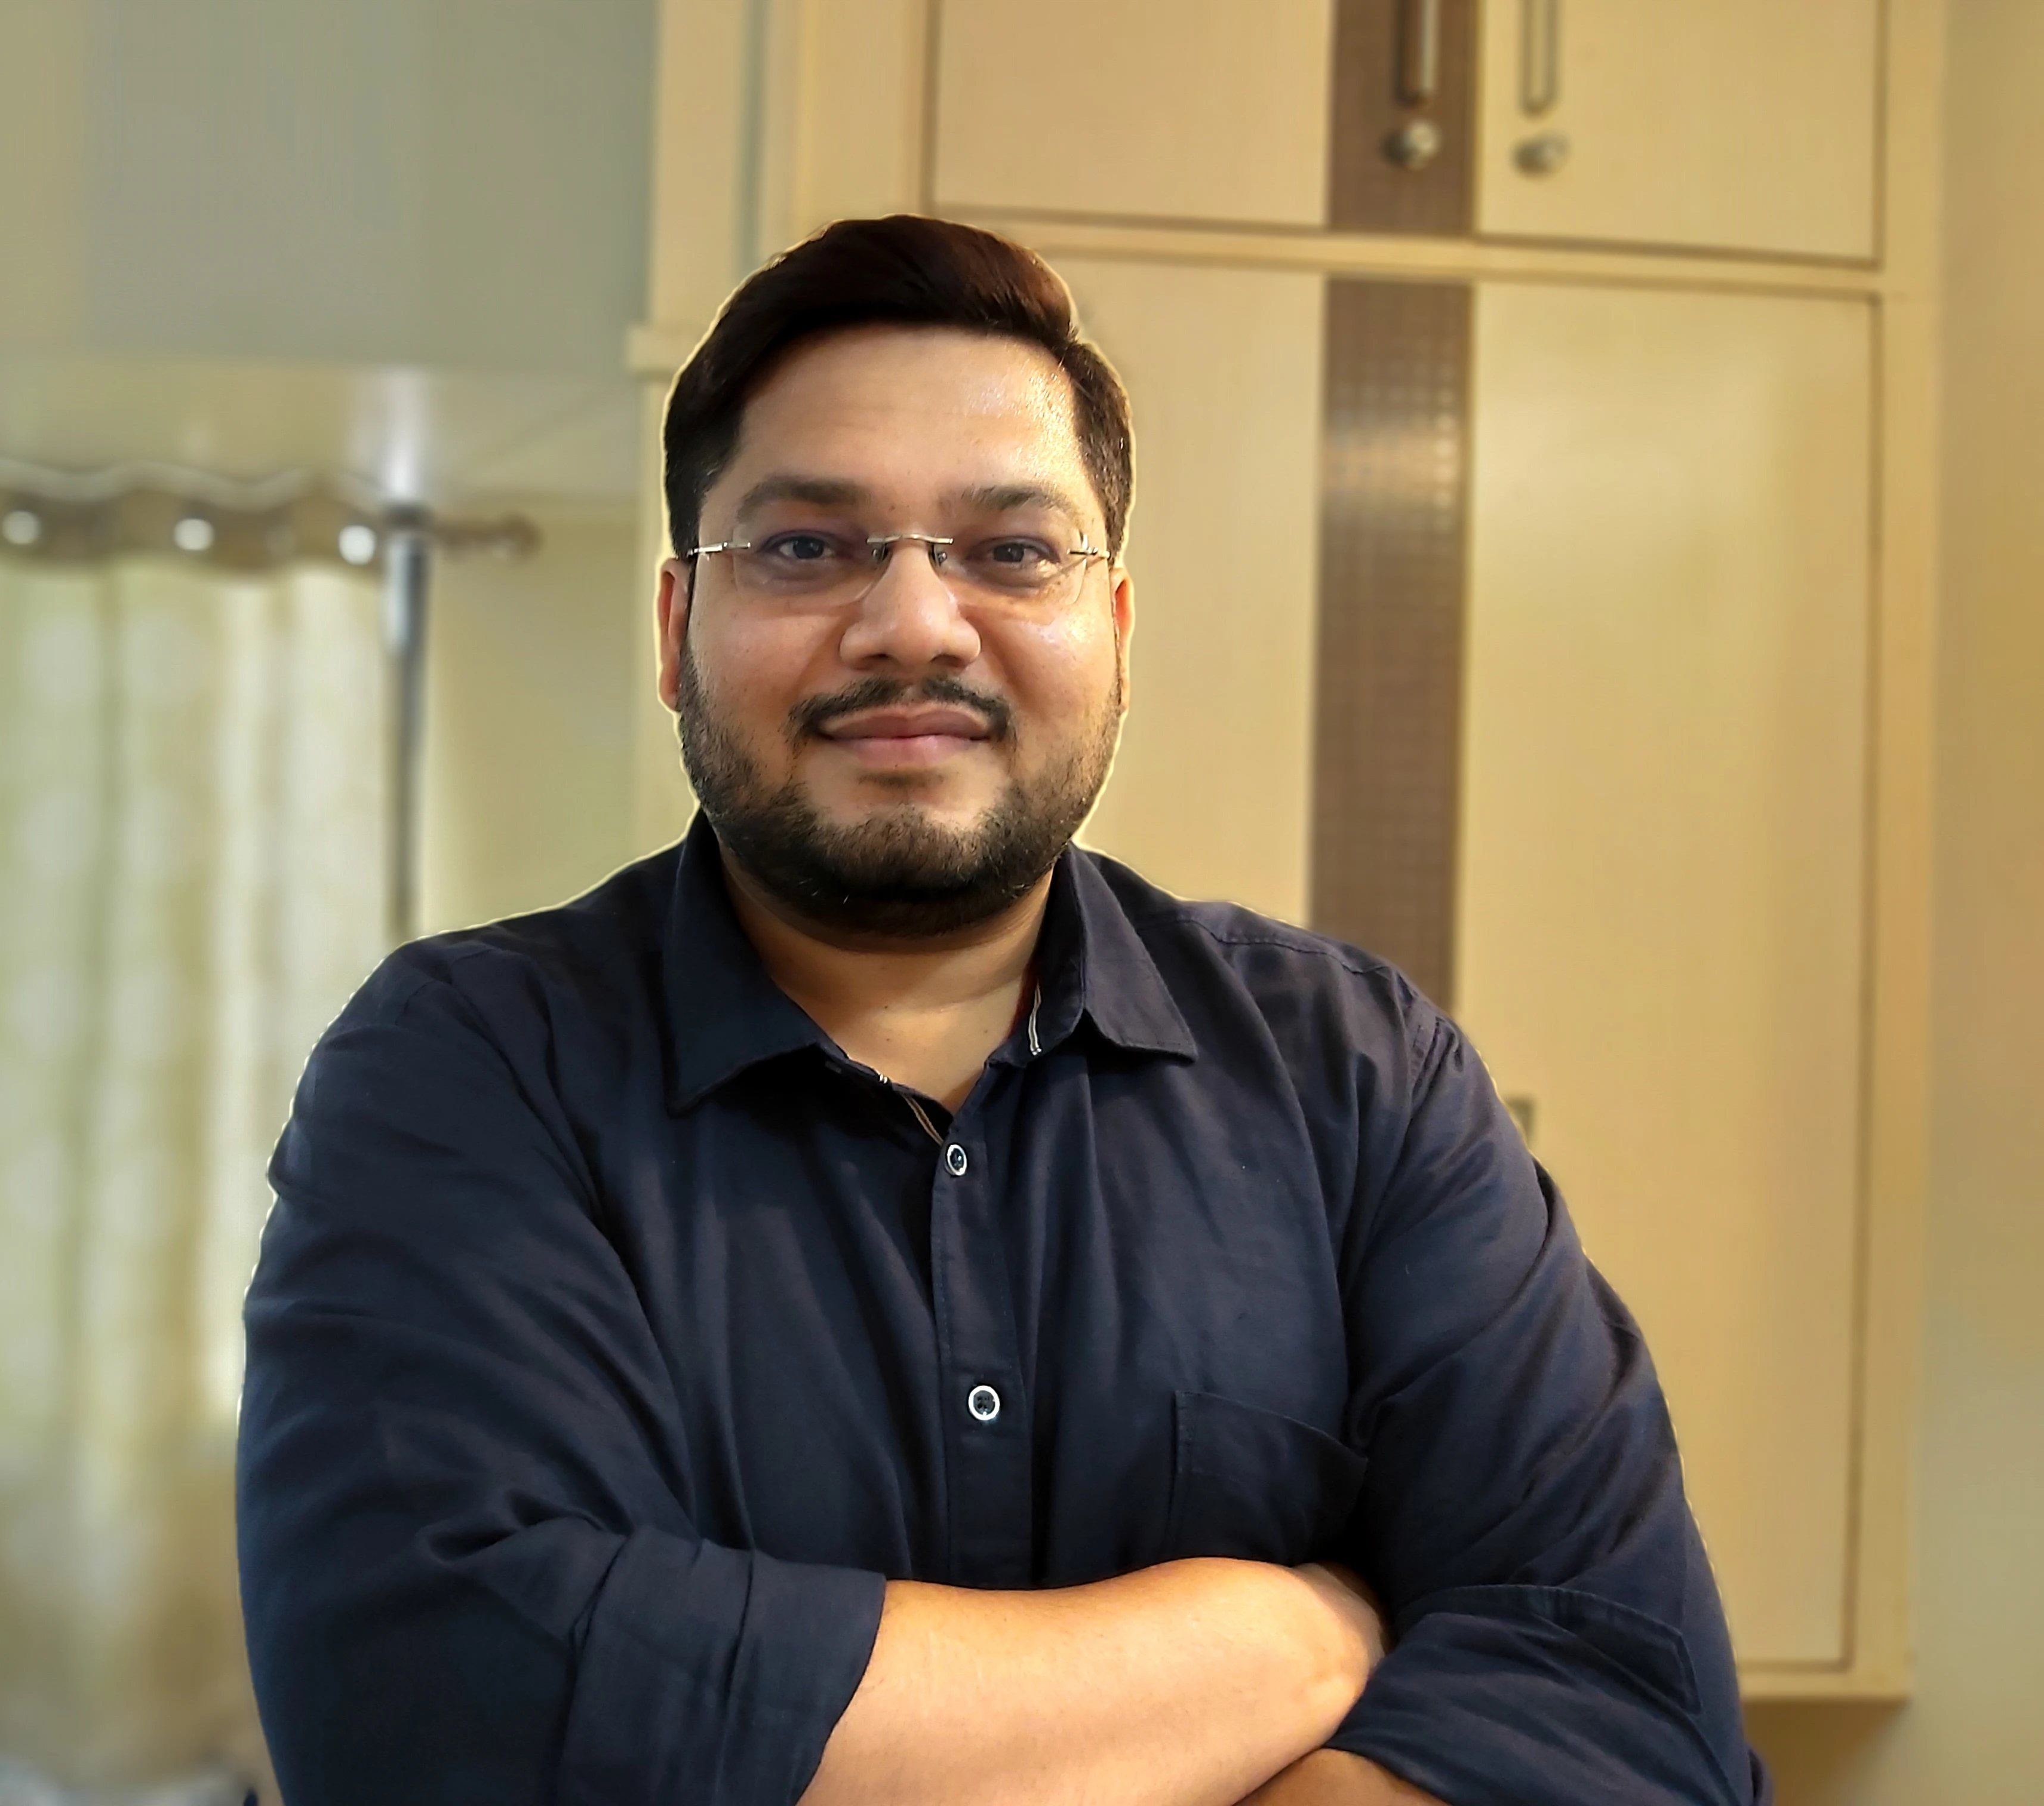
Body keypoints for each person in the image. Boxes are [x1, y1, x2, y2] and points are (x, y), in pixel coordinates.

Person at [237, 214, 1766, 1805]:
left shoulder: (1355, 1078)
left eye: (1013, 549)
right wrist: (1284, 1643)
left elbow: (1623, 1704)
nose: (911, 623)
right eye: (810, 546)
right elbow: (446, 1710)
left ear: (1110, 635)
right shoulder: (470, 1068)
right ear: (681, 631)